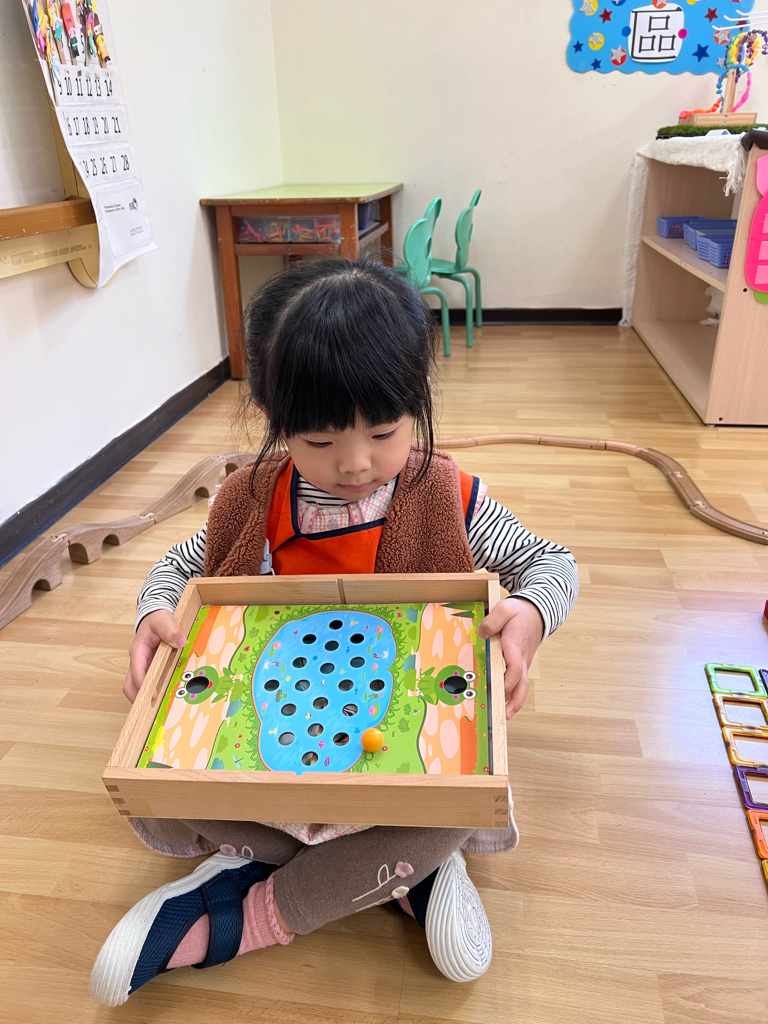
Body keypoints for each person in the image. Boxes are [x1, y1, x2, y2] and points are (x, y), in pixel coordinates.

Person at [90, 256, 578, 1007]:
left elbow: (552, 563)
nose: (355, 464)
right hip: (275, 757)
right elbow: (179, 568)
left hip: (401, 767)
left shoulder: (446, 494)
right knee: (167, 786)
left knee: (460, 805)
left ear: (417, 400)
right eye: (318, 441)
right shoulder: (251, 500)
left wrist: (531, 617)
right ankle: (399, 877)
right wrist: (153, 613)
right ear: (273, 417)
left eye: (383, 431)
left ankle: (248, 913)